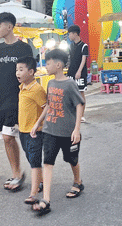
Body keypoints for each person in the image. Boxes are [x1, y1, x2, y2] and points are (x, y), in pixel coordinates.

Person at [0, 12, 33, 192]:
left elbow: (31, 73)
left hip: (19, 99)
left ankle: (34, 174)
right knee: (7, 139)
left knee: (23, 138)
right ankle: (16, 173)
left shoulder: (24, 48)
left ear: (9, 27)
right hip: (0, 100)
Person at [30, 49, 85, 216]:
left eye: (48, 63)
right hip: (50, 130)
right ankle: (46, 199)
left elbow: (79, 105)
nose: (46, 66)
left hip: (68, 132)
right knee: (48, 162)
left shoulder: (70, 84)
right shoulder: (50, 83)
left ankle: (77, 182)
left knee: (71, 159)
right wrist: (38, 123)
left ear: (58, 65)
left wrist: (76, 129)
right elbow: (49, 104)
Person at [16, 56, 47, 205]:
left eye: (21, 69)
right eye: (17, 69)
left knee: (34, 161)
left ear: (31, 72)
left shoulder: (37, 89)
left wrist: (37, 124)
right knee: (30, 157)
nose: (17, 72)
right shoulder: (21, 88)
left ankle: (34, 193)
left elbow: (46, 107)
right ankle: (40, 182)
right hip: (23, 131)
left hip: (35, 132)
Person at [67, 25, 88, 121]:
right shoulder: (70, 46)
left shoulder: (84, 46)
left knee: (80, 92)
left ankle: (82, 115)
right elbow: (70, 59)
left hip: (80, 73)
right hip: (71, 72)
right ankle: (74, 113)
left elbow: (83, 60)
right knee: (71, 93)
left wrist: (79, 71)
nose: (69, 36)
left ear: (75, 34)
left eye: (70, 34)